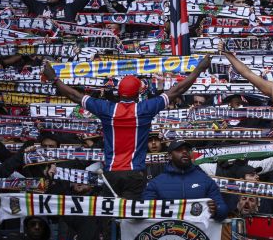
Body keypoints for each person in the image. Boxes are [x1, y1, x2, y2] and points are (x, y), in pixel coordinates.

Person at [42, 55, 211, 199]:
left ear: (119, 93)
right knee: (131, 222)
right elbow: (178, 90)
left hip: (110, 173)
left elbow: (75, 95)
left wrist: (54, 79)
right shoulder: (144, 108)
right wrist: (198, 69)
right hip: (135, 173)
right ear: (138, 94)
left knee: (110, 224)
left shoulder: (106, 108)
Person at [142, 140, 228, 221]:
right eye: (179, 150)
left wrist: (217, 210)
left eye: (187, 150)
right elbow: (143, 211)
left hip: (198, 235)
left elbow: (223, 210)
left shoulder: (205, 180)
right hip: (167, 234)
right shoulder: (156, 183)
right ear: (170, 156)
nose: (184, 152)